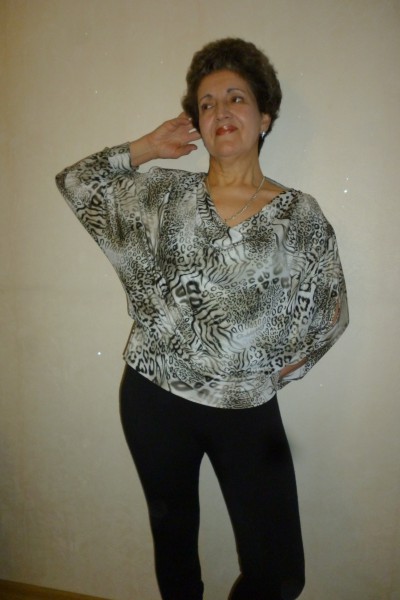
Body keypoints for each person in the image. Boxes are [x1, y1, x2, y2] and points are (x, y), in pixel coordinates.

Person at [56, 38, 348, 600]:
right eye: (207, 104)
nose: (220, 111)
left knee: (280, 572)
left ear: (265, 118)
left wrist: (280, 366)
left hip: (247, 407)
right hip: (154, 399)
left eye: (236, 98)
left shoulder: (300, 214)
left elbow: (331, 309)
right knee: (175, 545)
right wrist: (146, 148)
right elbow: (76, 183)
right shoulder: (163, 197)